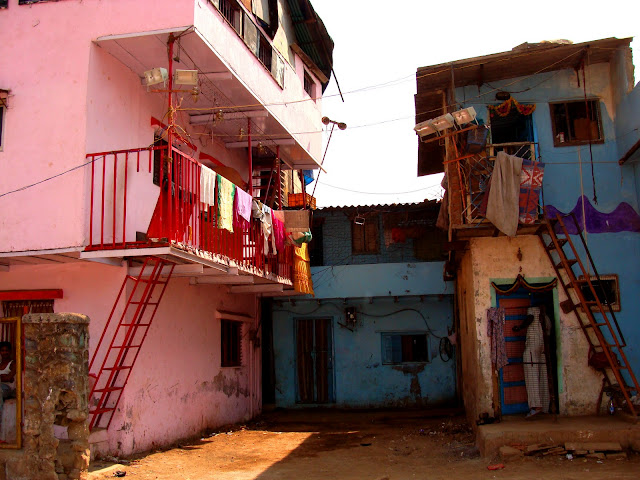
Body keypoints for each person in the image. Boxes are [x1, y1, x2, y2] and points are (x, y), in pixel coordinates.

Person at [513, 307, 550, 418]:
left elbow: (530, 318)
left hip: (533, 347)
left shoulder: (533, 315)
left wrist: (520, 327)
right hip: (542, 349)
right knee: (543, 376)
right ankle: (545, 405)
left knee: (532, 376)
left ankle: (535, 406)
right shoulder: (546, 319)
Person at [0, 341, 16, 414]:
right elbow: (7, 378)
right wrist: (3, 377)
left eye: (6, 350)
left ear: (10, 352)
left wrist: (6, 377)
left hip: (8, 388)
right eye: (2, 350)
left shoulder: (12, 364)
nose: (5, 352)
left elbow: (9, 378)